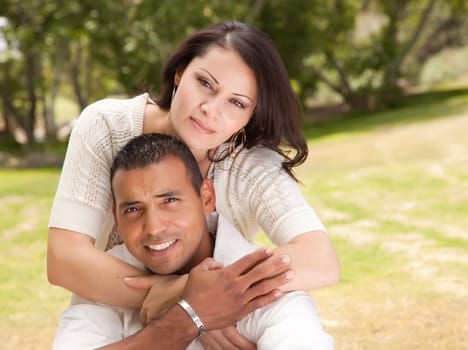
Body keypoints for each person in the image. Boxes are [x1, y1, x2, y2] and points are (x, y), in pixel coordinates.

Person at [47, 20, 339, 347]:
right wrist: (185, 302)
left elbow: (319, 259)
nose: (210, 110)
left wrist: (206, 298)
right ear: (179, 73)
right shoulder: (106, 127)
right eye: (205, 83)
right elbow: (64, 259)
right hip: (111, 304)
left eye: (237, 102)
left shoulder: (250, 164)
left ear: (249, 117)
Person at [53, 133, 333, 349]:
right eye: (134, 209)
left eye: (170, 201)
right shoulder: (104, 282)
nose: (153, 228)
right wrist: (189, 317)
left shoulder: (269, 290)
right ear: (116, 217)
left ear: (206, 198)